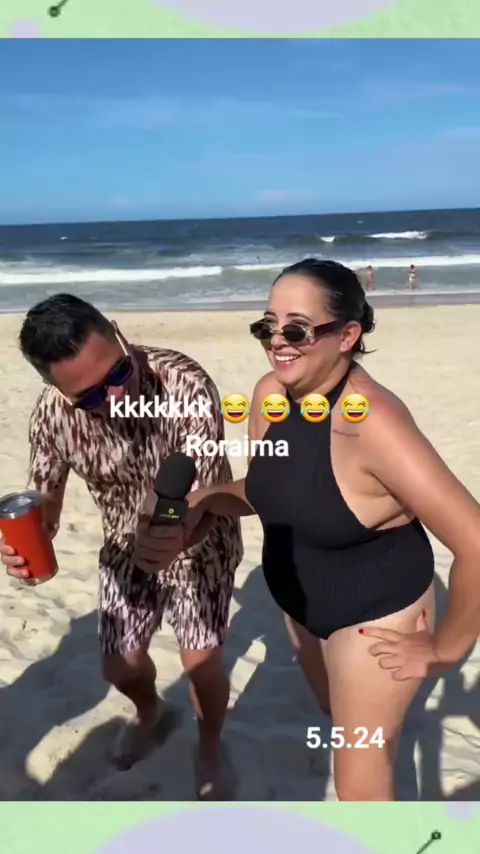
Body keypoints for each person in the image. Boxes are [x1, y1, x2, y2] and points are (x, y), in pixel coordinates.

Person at [158, 258, 480, 801]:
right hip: (301, 607)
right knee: (339, 716)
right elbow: (272, 488)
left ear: (347, 336)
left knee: (359, 784)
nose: (276, 341)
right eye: (268, 325)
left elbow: (474, 540)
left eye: (297, 330)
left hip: (375, 615)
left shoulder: (372, 422)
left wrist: (445, 650)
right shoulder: (269, 394)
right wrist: (204, 503)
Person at [0, 294, 243, 799]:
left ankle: (209, 746)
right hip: (122, 545)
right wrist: (27, 541)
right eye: (91, 396)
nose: (114, 397)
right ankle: (151, 711)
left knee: (200, 661)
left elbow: (208, 492)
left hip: (202, 540)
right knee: (119, 666)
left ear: (118, 333)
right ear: (56, 390)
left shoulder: (184, 384)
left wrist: (179, 536)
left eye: (118, 373)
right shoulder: (53, 418)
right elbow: (45, 504)